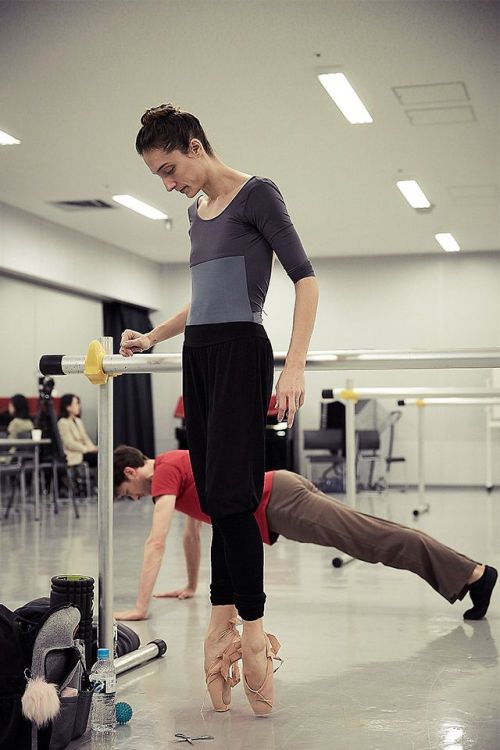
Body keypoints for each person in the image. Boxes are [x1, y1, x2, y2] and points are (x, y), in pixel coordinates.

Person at [119, 104, 319, 714]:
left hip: (241, 351)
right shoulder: (193, 214)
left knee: (233, 497)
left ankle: (249, 633)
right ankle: (222, 626)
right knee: (212, 493)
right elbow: (202, 300)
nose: (169, 183)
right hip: (200, 354)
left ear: (196, 145)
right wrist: (154, 336)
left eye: (170, 167)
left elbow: (306, 281)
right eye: (159, 175)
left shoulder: (259, 195)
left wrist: (293, 364)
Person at [113, 445, 497, 630]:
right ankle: (470, 574)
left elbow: (157, 540)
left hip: (280, 502)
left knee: (374, 539)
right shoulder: (174, 468)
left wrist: (141, 606)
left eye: (123, 492)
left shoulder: (163, 472)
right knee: (372, 535)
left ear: (130, 472)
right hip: (281, 495)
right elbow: (191, 535)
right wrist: (190, 585)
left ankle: (474, 574)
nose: (130, 499)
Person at [57, 394, 98, 468]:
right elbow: (69, 443)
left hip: (84, 451)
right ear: (68, 407)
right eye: (76, 404)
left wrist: (93, 448)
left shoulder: (78, 421)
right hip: (74, 454)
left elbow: (85, 438)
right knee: (98, 458)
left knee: (106, 456)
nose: (79, 406)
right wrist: (87, 449)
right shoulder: (63, 422)